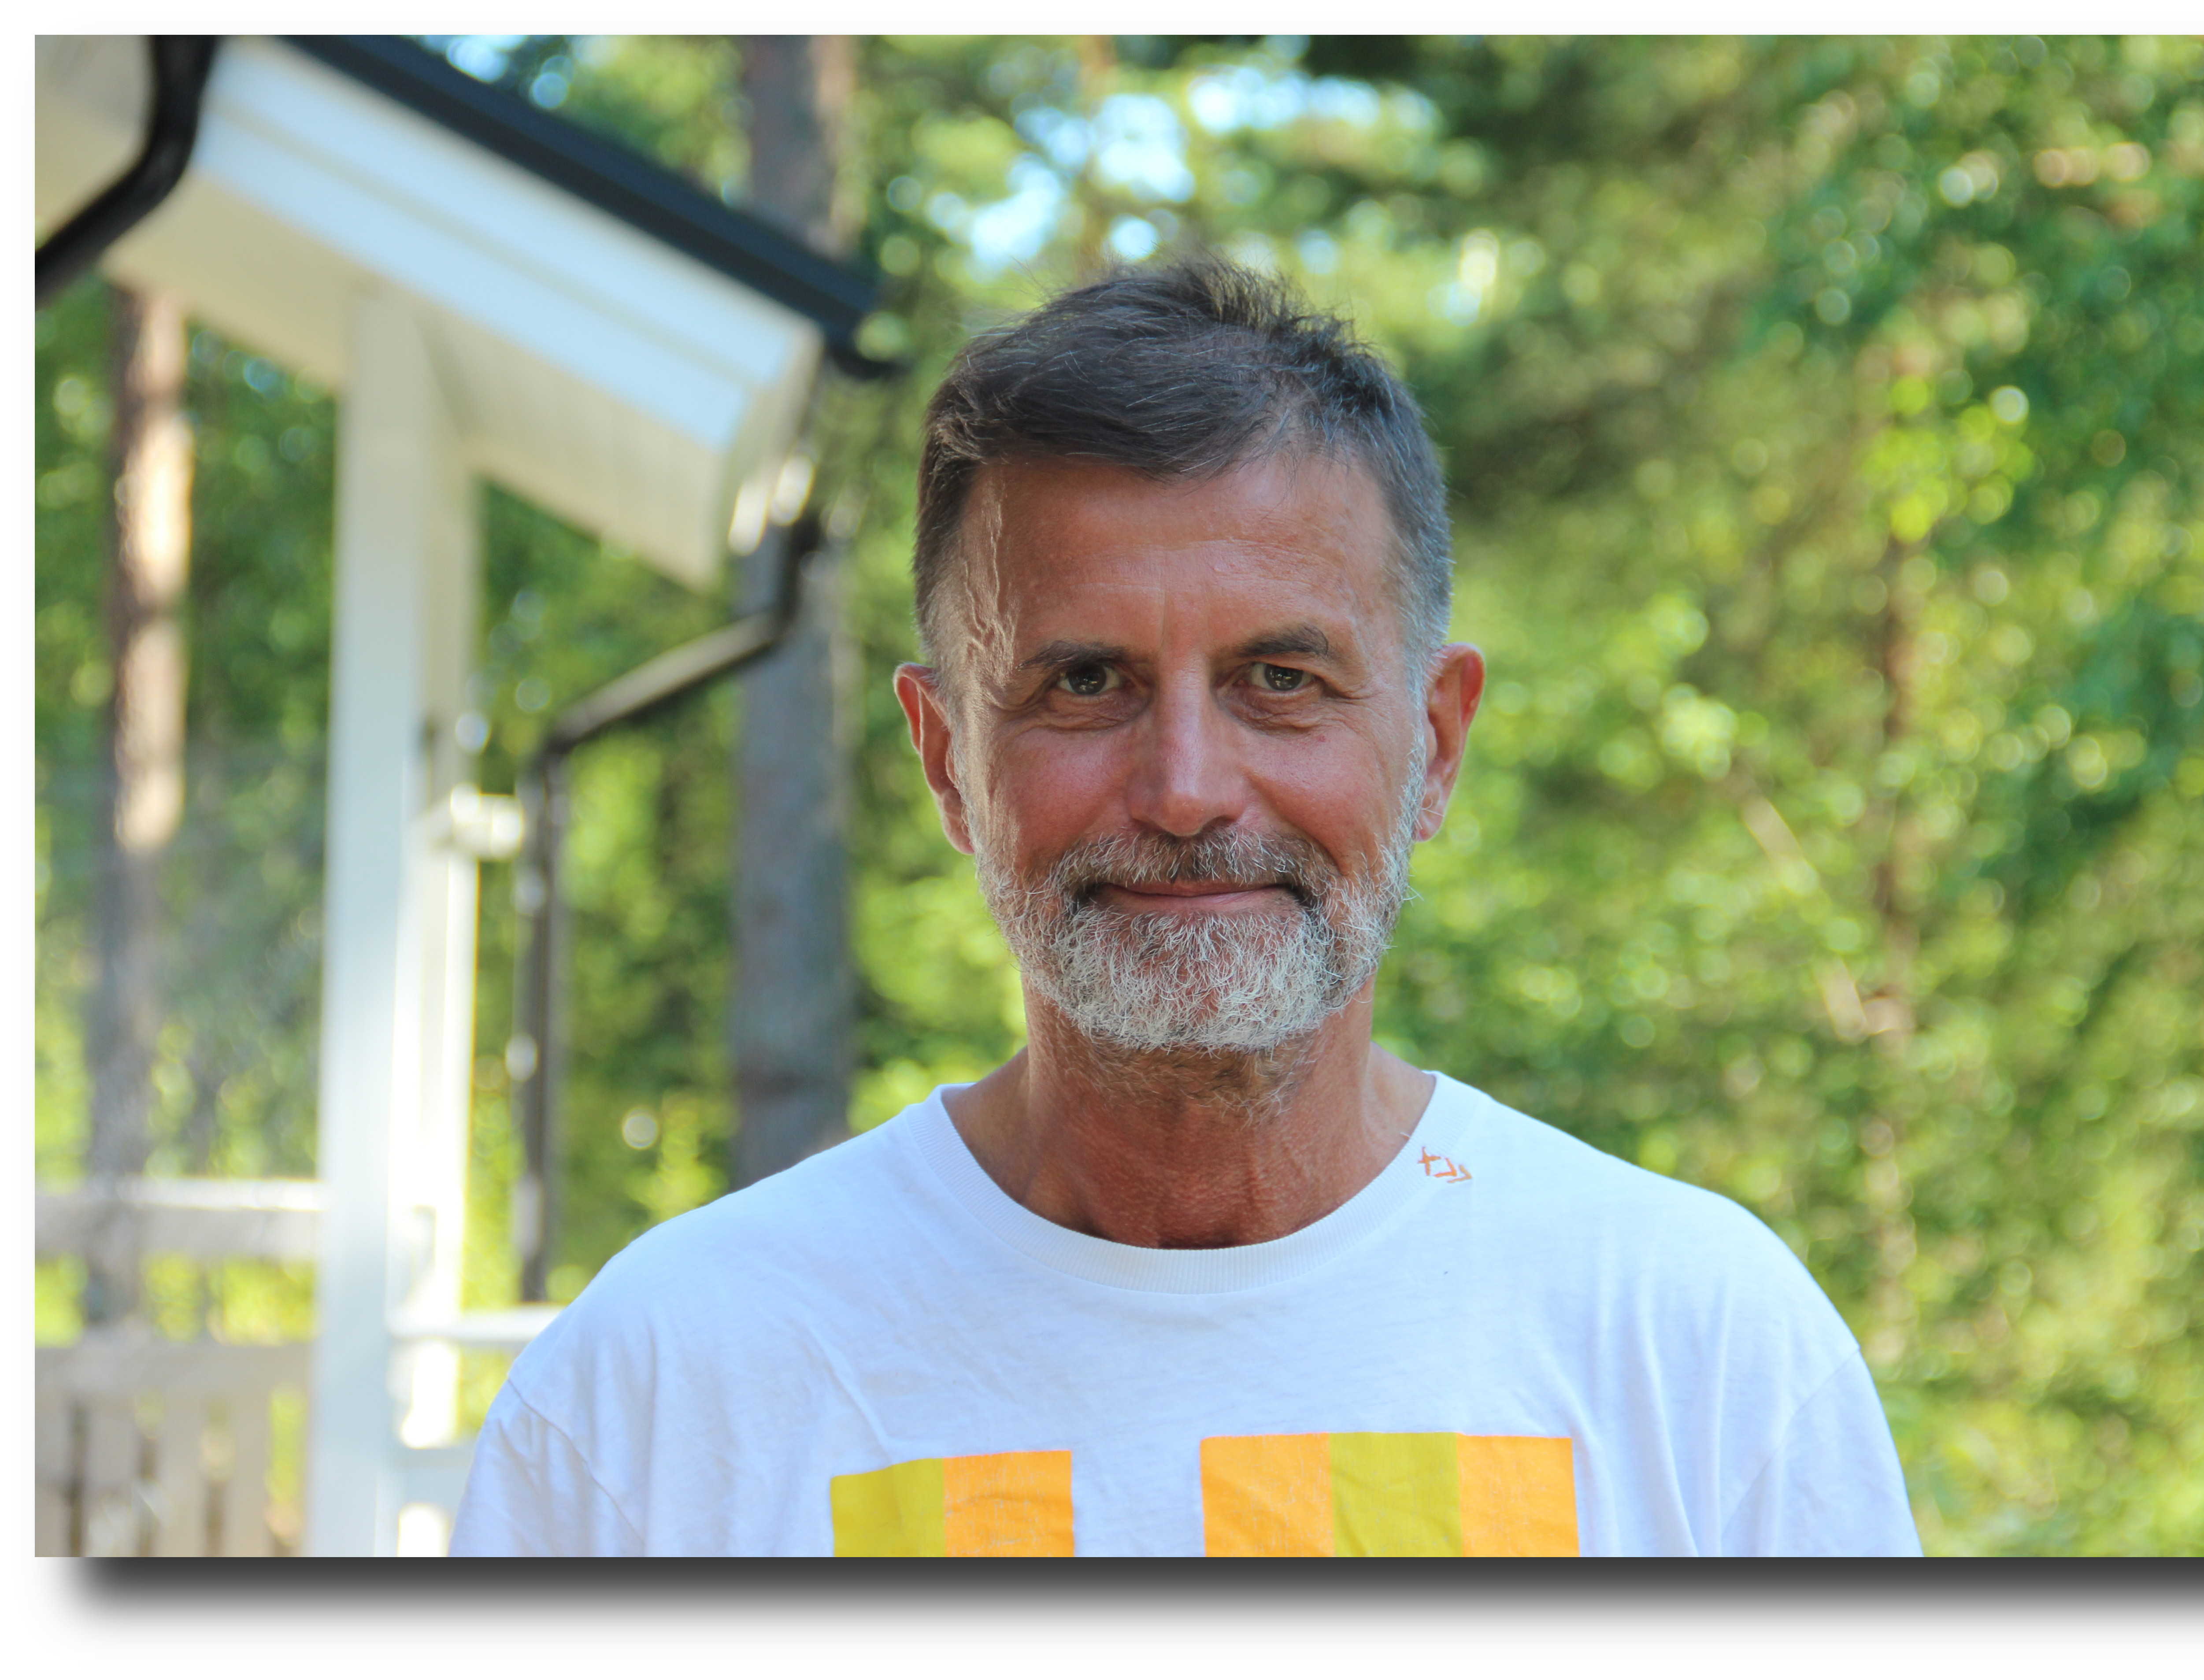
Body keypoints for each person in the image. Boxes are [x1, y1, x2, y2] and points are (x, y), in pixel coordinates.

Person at [451, 259, 1921, 1558]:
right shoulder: (665, 1392)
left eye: (1282, 681)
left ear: (1436, 744)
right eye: (1084, 683)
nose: (1187, 790)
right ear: (947, 758)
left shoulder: (1695, 1351)